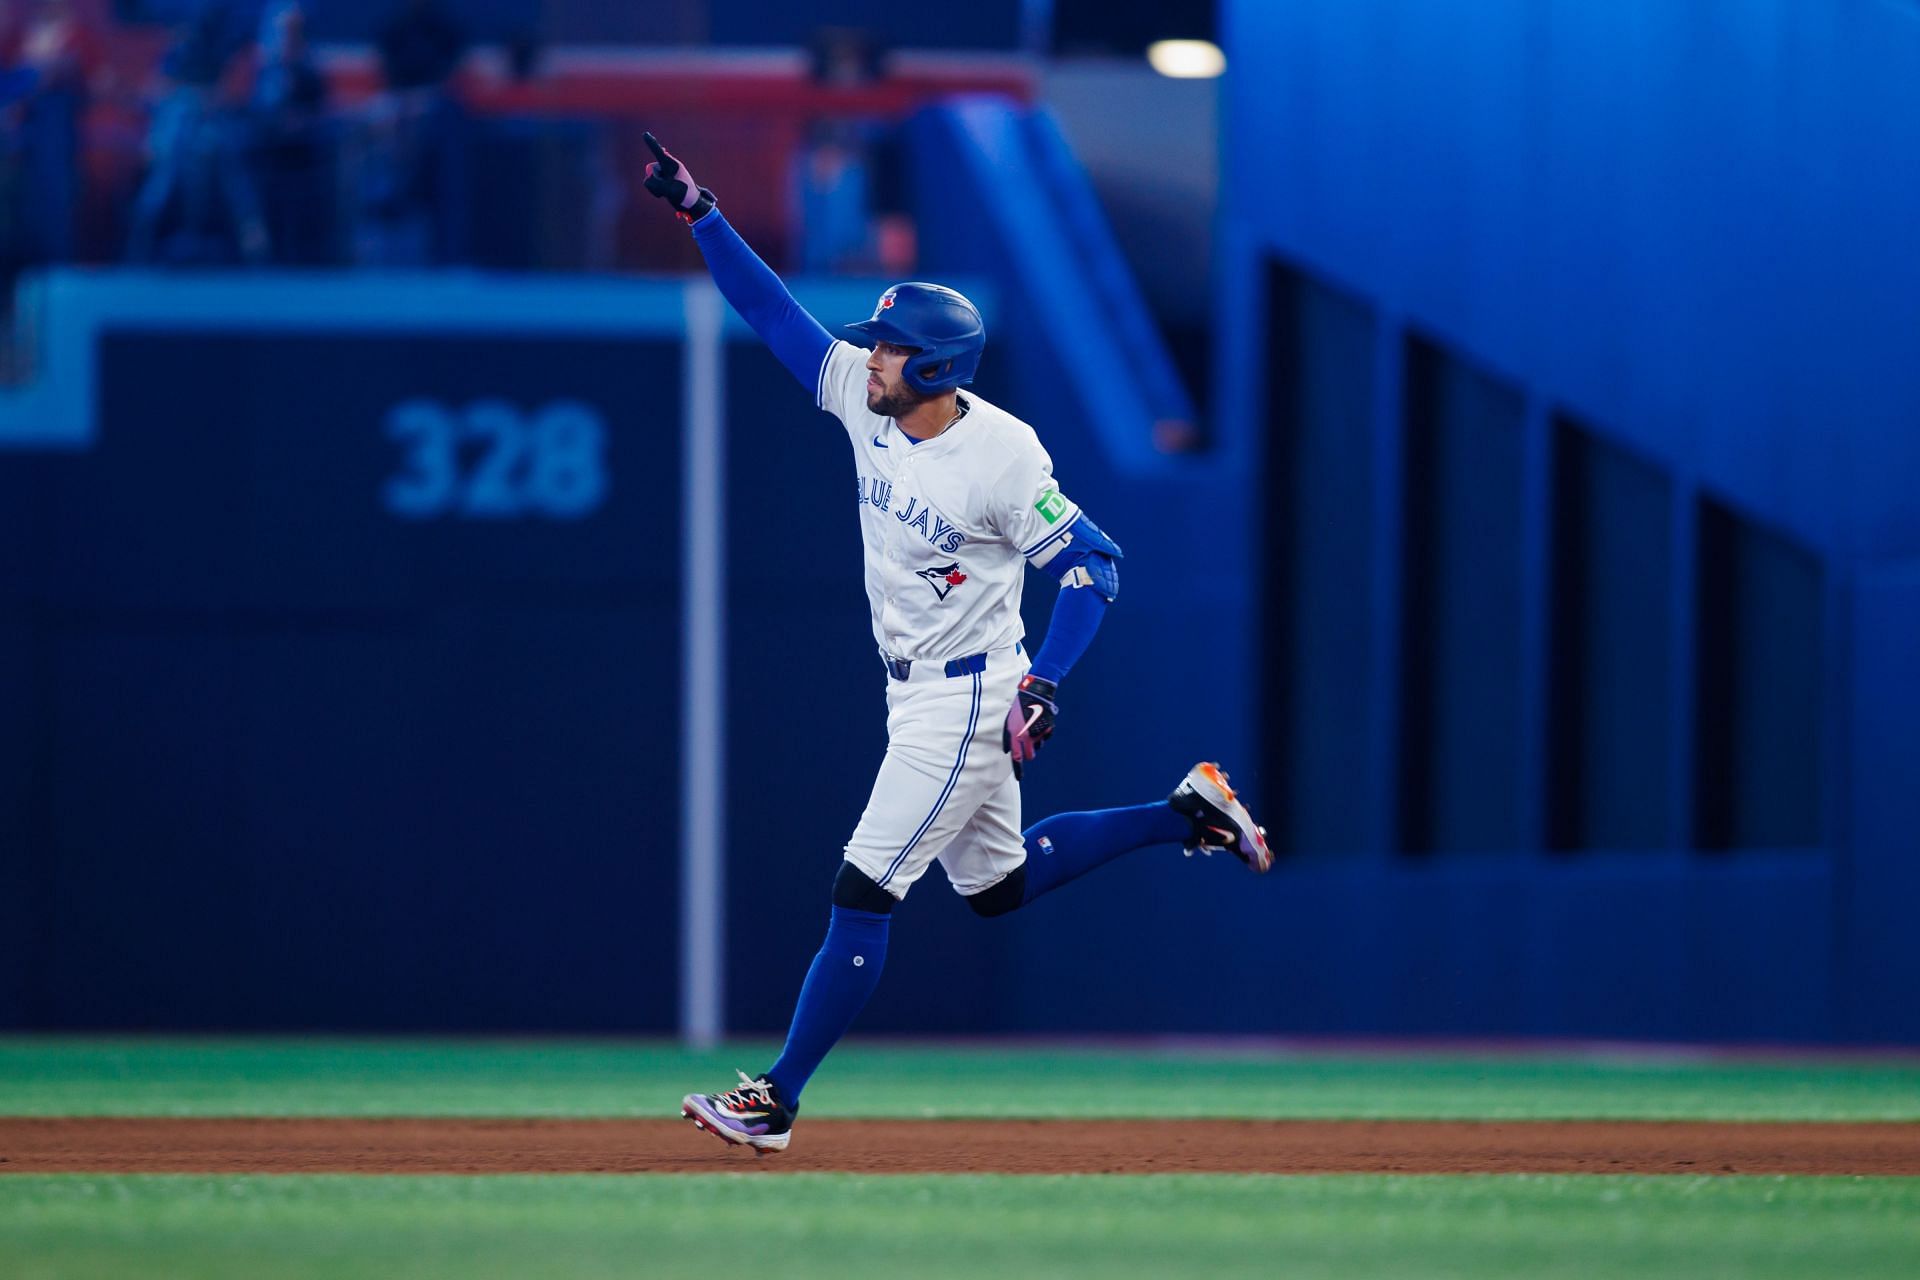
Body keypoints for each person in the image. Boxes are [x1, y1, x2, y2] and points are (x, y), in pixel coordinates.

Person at [643, 132, 1273, 1156]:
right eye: (877, 343)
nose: (870, 355)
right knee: (1000, 886)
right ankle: (1182, 813)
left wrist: (1048, 683)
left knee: (861, 891)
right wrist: (704, 212)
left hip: (969, 699)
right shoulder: (866, 398)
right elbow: (772, 315)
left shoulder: (1001, 450)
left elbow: (1093, 565)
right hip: (919, 688)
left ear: (934, 366)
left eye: (890, 348)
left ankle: (776, 1100)